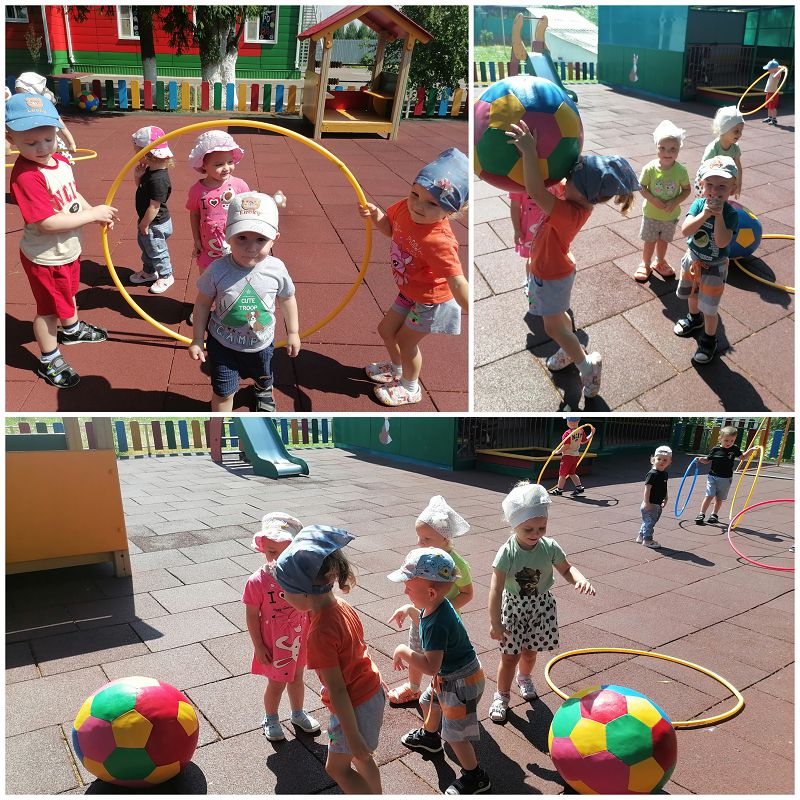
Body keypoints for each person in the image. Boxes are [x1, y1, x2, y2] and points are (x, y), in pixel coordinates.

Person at [506, 120, 640, 401]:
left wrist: (529, 152)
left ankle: (586, 365)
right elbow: (552, 182)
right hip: (556, 269)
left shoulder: (569, 212)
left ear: (584, 191)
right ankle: (569, 349)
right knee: (560, 316)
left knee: (552, 326)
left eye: (571, 180)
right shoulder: (579, 202)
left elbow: (536, 191)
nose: (565, 181)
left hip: (551, 273)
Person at [6, 93, 118, 389]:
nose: (42, 148)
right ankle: (49, 358)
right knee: (48, 310)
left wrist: (91, 211)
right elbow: (47, 223)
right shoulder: (27, 176)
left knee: (68, 294)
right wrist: (91, 215)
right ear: (11, 139)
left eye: (48, 139)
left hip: (67, 249)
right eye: (31, 143)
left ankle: (71, 329)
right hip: (46, 257)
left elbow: (72, 194)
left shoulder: (58, 161)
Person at [275, 526, 384, 795]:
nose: (283, 596)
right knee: (362, 758)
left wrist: (353, 735)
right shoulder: (340, 606)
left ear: (305, 593)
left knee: (337, 768)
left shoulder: (320, 633)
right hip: (370, 691)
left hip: (354, 705)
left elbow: (337, 689)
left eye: (285, 591)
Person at [360, 147, 470, 407]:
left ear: (450, 211)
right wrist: (376, 216)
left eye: (432, 203)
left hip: (431, 300)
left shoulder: (439, 241)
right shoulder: (404, 209)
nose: (418, 205)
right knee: (386, 330)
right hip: (411, 291)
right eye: (415, 194)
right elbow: (390, 229)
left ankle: (411, 388)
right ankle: (397, 369)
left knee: (405, 341)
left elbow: (457, 281)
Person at [487, 482, 595, 724]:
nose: (536, 533)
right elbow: (495, 589)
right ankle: (501, 696)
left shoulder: (549, 547)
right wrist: (495, 622)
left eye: (541, 527)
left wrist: (580, 579)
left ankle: (524, 678)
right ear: (514, 525)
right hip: (514, 608)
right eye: (528, 529)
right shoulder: (508, 552)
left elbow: (566, 568)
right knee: (509, 657)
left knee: (530, 652)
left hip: (541, 606)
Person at [389, 548, 491, 795]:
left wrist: (403, 650)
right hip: (451, 677)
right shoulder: (436, 605)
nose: (405, 591)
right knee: (427, 703)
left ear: (431, 593)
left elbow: (430, 666)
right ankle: (430, 738)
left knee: (455, 735)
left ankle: (475, 777)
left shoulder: (437, 623)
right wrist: (410, 610)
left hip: (461, 683)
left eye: (409, 588)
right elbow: (423, 619)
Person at [188, 192, 300, 412]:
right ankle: (220, 423)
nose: (251, 248)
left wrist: (293, 332)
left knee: (264, 376)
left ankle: (263, 389)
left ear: (274, 238)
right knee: (223, 392)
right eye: (242, 238)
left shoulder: (276, 269)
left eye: (261, 239)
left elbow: (287, 298)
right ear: (227, 235)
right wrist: (198, 338)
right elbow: (202, 303)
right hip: (222, 345)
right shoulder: (217, 270)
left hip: (261, 343)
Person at [386, 496, 473, 707]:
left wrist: (442, 610)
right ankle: (414, 687)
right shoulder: (423, 556)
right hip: (425, 613)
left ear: (445, 538)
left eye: (426, 538)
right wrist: (411, 608)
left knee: (437, 658)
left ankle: (442, 689)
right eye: (419, 537)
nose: (420, 542)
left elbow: (467, 593)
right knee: (416, 650)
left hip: (438, 620)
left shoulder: (457, 564)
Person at [243, 512, 321, 742]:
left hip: (299, 639)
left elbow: (312, 606)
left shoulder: (301, 578)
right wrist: (258, 646)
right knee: (276, 683)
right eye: (271, 552)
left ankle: (297, 713)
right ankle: (271, 718)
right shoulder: (257, 581)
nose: (278, 558)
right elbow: (251, 615)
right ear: (262, 549)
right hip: (273, 643)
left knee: (297, 677)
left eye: (286, 552)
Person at [673, 156, 739, 365]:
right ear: (702, 185)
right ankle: (694, 318)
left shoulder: (730, 214)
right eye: (709, 184)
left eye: (722, 186)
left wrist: (718, 216)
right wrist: (704, 214)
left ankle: (710, 339)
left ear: (732, 188)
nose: (715, 191)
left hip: (714, 267)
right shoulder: (698, 204)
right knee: (692, 295)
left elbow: (722, 242)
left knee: (710, 308)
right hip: (693, 260)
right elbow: (685, 230)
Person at [634, 120, 692, 283]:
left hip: (670, 215)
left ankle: (659, 261)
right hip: (651, 214)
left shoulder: (680, 171)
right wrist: (652, 199)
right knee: (650, 240)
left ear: (678, 149)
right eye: (662, 148)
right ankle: (645, 263)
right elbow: (641, 186)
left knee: (664, 240)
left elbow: (686, 189)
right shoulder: (650, 168)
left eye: (672, 149)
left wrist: (674, 202)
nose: (667, 152)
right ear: (657, 148)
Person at [130, 126, 175, 294]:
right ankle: (149, 272)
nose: (135, 154)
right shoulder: (150, 170)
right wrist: (138, 176)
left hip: (155, 223)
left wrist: (144, 224)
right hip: (148, 220)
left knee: (157, 251)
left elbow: (154, 206)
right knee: (147, 248)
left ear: (147, 154)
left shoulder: (159, 179)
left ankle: (166, 275)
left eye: (137, 151)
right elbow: (141, 188)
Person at [694, 426, 759, 525]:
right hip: (712, 477)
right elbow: (707, 460)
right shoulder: (715, 449)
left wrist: (750, 451)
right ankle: (701, 514)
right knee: (709, 495)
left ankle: (714, 514)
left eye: (732, 440)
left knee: (719, 498)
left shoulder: (734, 448)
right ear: (720, 439)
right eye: (726, 440)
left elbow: (742, 457)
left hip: (726, 478)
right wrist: (700, 459)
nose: (729, 443)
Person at [14, 72, 77, 164]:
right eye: (18, 93)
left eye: (22, 94)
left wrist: (72, 144)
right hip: (34, 150)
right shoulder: (23, 114)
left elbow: (63, 128)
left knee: (60, 166)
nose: (20, 98)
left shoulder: (48, 112)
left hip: (52, 147)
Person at [696, 107, 744, 198]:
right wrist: (707, 188)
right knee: (705, 201)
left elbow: (738, 168)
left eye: (741, 131)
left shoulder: (735, 147)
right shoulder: (713, 149)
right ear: (724, 129)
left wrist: (738, 185)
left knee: (721, 200)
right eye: (736, 131)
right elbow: (704, 169)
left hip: (721, 180)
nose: (740, 134)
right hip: (708, 181)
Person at [637, 445, 672, 548]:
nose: (661, 462)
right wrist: (647, 502)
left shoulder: (664, 474)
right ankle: (647, 540)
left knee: (648, 521)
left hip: (657, 503)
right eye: (659, 459)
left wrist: (666, 497)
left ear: (669, 462)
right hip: (651, 503)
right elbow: (647, 489)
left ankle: (641, 536)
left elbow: (664, 487)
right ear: (653, 460)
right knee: (650, 523)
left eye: (665, 460)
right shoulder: (652, 474)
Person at [548, 416, 590, 496]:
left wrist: (557, 451)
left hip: (567, 456)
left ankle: (559, 490)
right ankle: (579, 488)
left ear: (569, 422)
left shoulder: (567, 433)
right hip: (576, 455)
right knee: (572, 473)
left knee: (562, 474)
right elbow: (584, 441)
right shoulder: (581, 430)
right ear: (578, 420)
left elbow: (566, 446)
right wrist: (591, 434)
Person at [761, 59, 783, 126]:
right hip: (769, 92)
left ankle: (774, 119)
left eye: (769, 68)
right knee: (768, 106)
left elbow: (775, 76)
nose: (768, 70)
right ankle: (769, 117)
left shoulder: (777, 74)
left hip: (773, 93)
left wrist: (780, 69)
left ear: (774, 69)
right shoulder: (771, 73)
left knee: (772, 107)